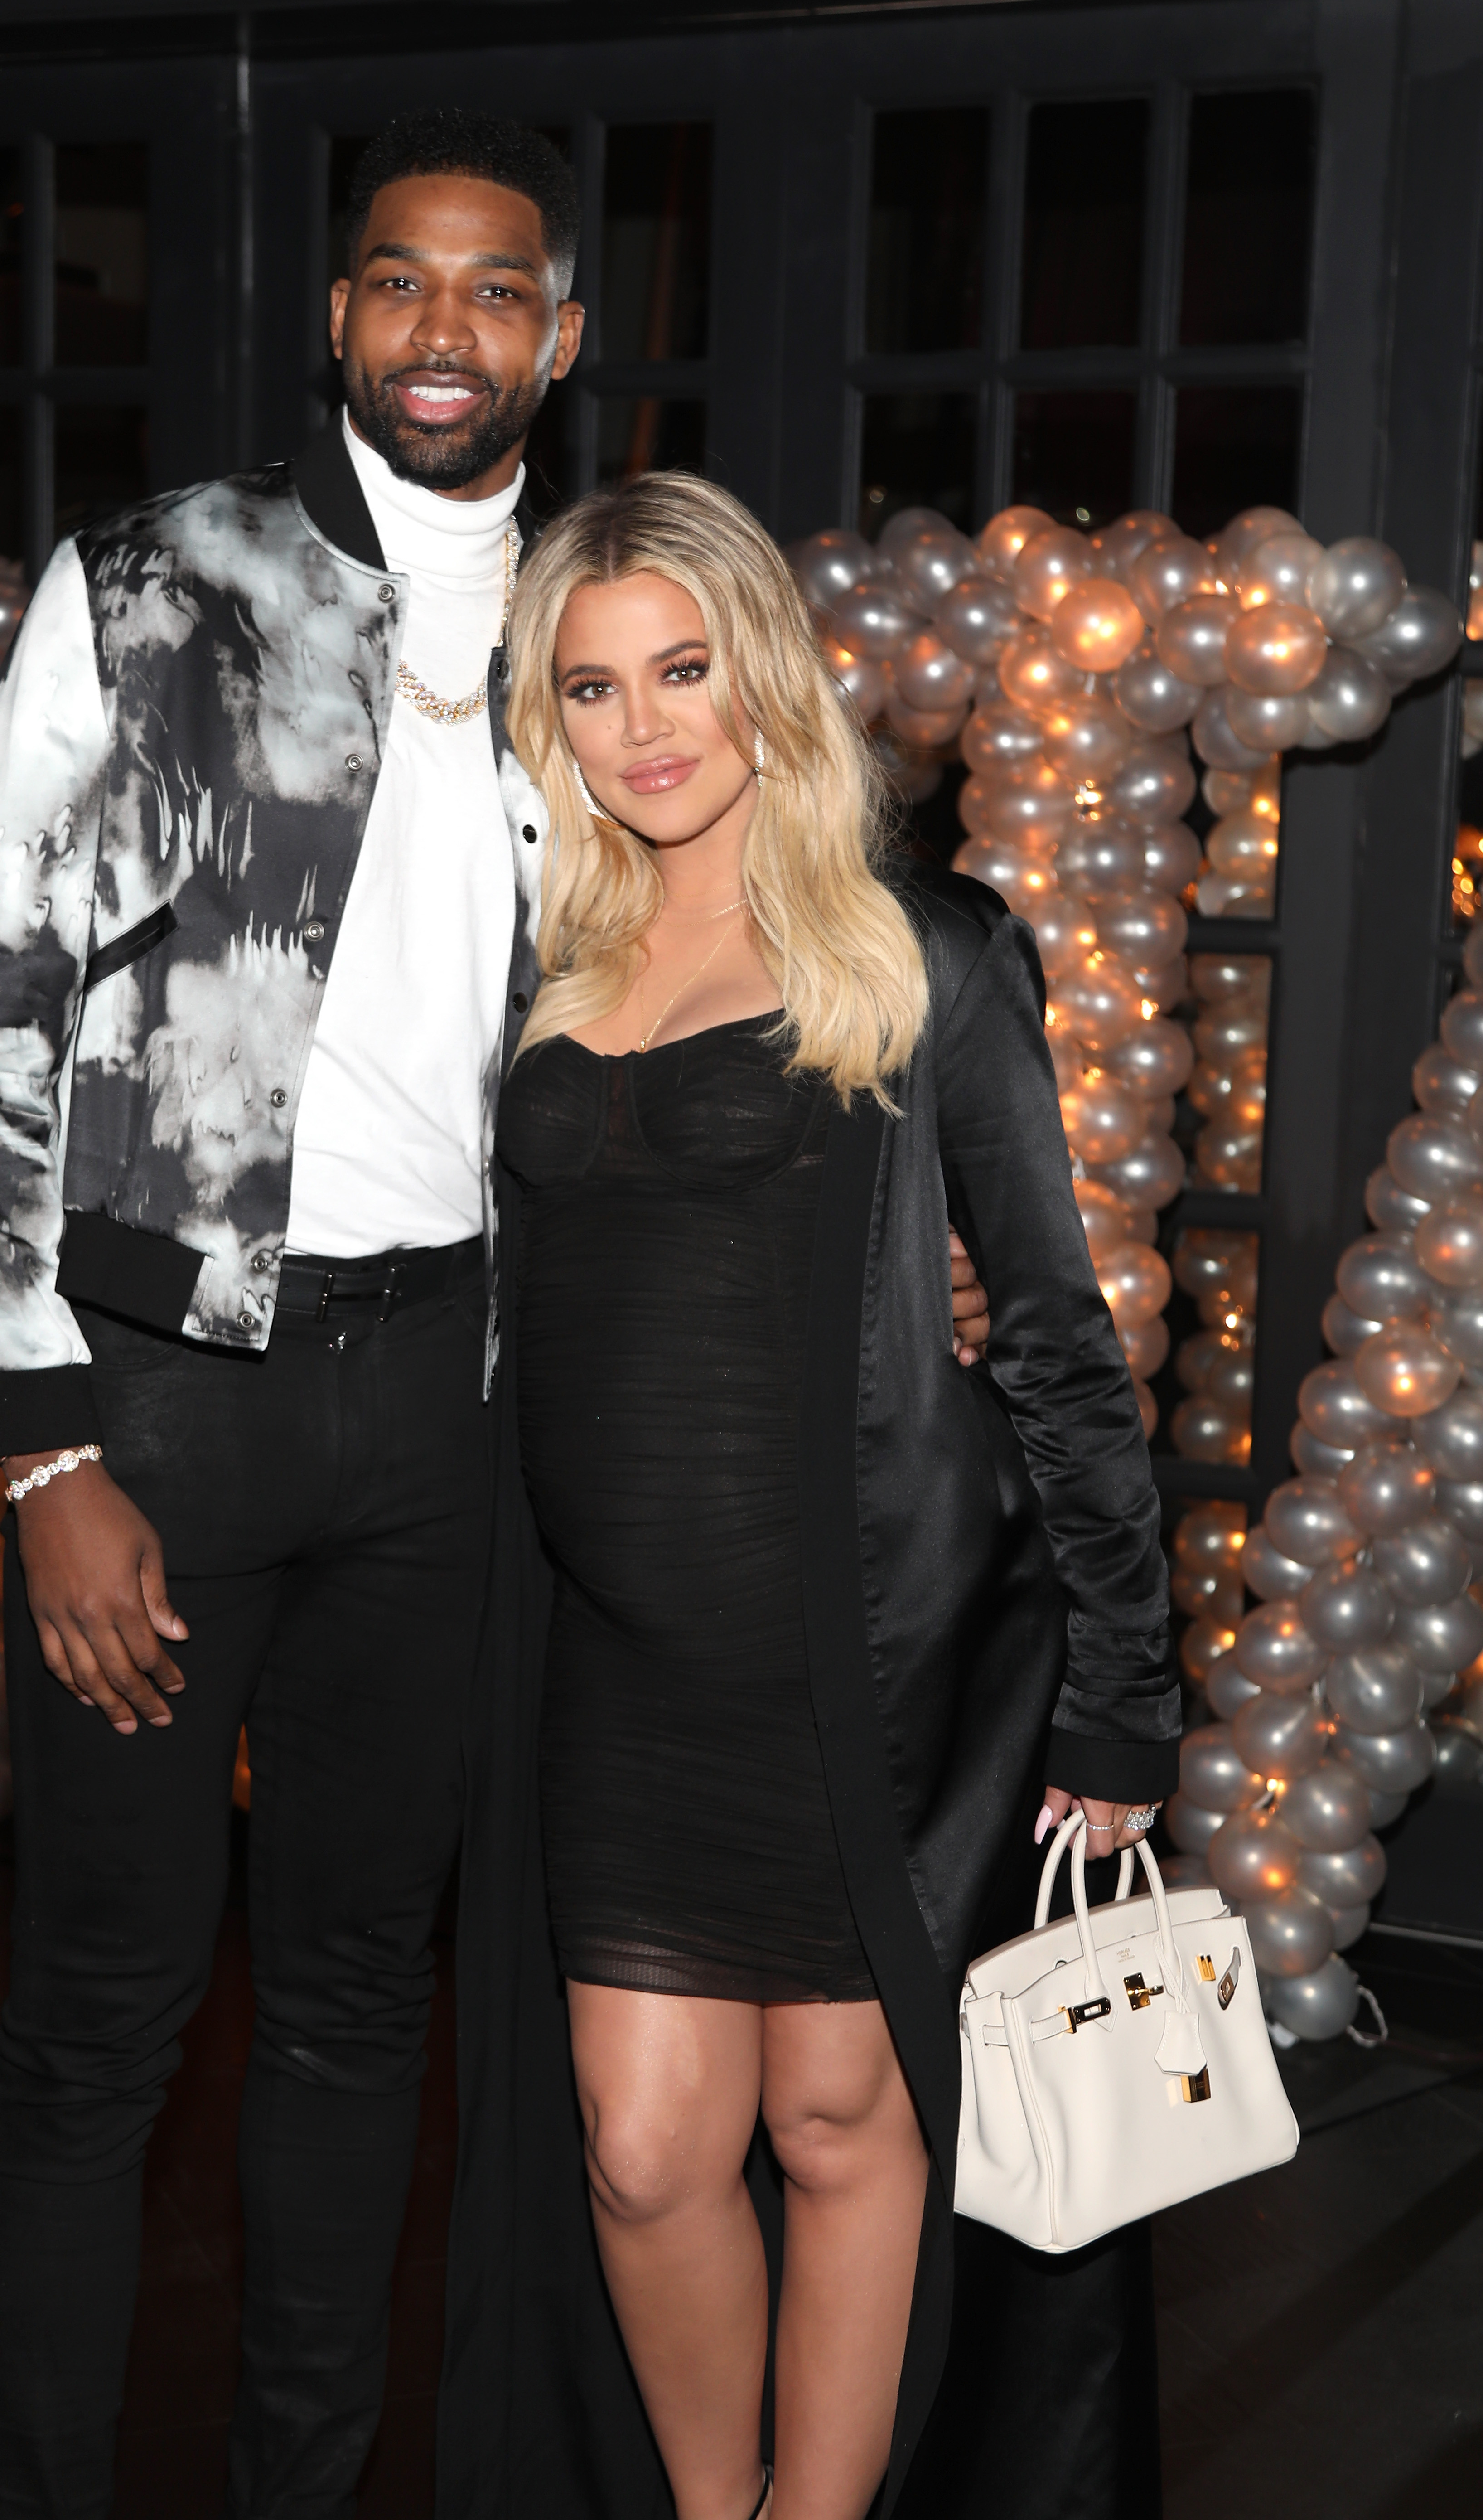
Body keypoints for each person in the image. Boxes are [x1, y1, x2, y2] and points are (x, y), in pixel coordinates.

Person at [0, 99, 997, 2520]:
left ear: (560, 336)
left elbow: (730, 977)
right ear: (338, 315)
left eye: (496, 289)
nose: (442, 329)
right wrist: (41, 1438)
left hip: (456, 1420)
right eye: (400, 281)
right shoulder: (158, 576)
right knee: (97, 2026)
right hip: (159, 1406)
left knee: (352, 2019)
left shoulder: (586, 645)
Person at [465, 471, 1178, 2520]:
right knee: (643, 2146)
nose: (645, 727)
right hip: (613, 1667)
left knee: (850, 2117)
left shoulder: (923, 955)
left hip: (860, 1653)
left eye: (682, 669)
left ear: (763, 670)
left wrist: (1129, 1686)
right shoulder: (538, 957)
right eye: (592, 689)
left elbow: (1056, 1334)